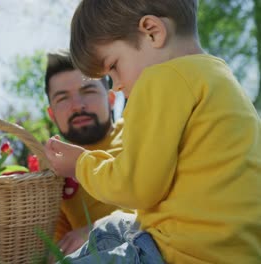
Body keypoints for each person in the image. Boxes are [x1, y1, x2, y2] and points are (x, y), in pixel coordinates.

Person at [45, 0, 261, 263]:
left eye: (113, 66)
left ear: (152, 32)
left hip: (183, 254)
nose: (115, 86)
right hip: (231, 248)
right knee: (111, 227)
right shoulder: (218, 77)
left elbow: (135, 187)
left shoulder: (160, 80)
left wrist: (80, 165)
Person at [44, 50, 129, 255]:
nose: (77, 106)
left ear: (110, 99)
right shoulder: (53, 171)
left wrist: (98, 230)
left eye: (88, 91)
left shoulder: (140, 132)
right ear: (52, 114)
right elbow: (59, 245)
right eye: (63, 98)